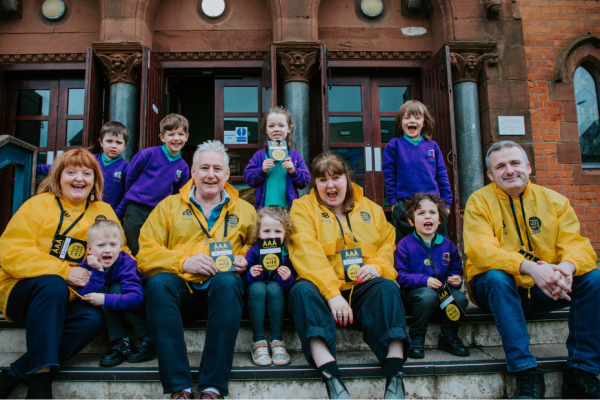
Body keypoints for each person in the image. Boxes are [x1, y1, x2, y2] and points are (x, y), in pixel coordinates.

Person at [464, 140, 600, 399]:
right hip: (496, 290)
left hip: (545, 289)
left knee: (593, 278)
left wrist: (565, 268)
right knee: (495, 275)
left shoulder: (555, 200)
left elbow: (578, 246)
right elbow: (480, 249)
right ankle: (526, 370)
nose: (509, 170)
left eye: (515, 163)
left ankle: (581, 372)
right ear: (491, 175)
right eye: (500, 166)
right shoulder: (479, 201)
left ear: (528, 166)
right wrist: (527, 267)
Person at [138, 140, 256, 399]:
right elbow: (145, 253)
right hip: (182, 292)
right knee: (158, 284)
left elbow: (255, 245)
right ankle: (179, 386)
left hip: (222, 294)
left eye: (217, 168)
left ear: (227, 174)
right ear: (192, 172)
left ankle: (212, 387)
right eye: (204, 168)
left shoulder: (246, 211)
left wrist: (245, 258)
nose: (210, 175)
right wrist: (182, 262)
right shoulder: (168, 206)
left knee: (228, 283)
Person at [288, 152, 409, 399]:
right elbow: (306, 253)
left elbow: (388, 242)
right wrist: (332, 294)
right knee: (301, 291)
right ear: (315, 184)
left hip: (361, 287)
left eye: (336, 177)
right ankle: (333, 379)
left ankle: (395, 378)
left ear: (347, 179)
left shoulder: (371, 209)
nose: (330, 185)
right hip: (324, 292)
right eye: (322, 180)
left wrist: (376, 266)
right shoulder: (302, 208)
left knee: (387, 287)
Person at [0, 149, 120, 398]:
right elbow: (10, 254)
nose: (79, 178)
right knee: (53, 284)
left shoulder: (104, 210)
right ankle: (41, 382)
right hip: (23, 293)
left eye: (87, 173)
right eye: (72, 172)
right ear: (58, 176)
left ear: (95, 180)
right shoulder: (38, 204)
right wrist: (64, 271)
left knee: (93, 320)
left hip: (72, 297)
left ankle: (15, 374)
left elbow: (120, 250)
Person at [395, 193, 468, 359]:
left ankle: (448, 337)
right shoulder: (405, 244)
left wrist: (455, 279)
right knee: (427, 296)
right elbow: (400, 275)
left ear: (440, 219)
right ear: (411, 221)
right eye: (421, 213)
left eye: (432, 212)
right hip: (415, 296)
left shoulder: (448, 245)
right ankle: (416, 338)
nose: (427, 216)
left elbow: (456, 269)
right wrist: (423, 280)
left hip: (442, 293)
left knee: (460, 299)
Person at [77, 219, 154, 367]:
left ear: (121, 247)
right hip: (113, 308)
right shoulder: (88, 264)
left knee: (114, 290)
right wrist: (97, 272)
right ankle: (121, 342)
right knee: (105, 291)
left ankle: (147, 337)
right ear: (90, 249)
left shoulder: (126, 263)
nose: (107, 250)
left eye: (112, 245)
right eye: (101, 245)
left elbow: (137, 298)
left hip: (139, 309)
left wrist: (105, 299)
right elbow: (83, 297)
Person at [382, 100, 452, 242]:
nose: (412, 121)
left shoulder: (432, 146)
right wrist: (394, 202)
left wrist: (446, 202)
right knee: (407, 243)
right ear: (401, 122)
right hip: (404, 203)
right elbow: (389, 176)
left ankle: (436, 265)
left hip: (433, 203)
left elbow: (441, 175)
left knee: (436, 242)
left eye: (417, 117)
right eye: (407, 117)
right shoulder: (394, 145)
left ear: (424, 123)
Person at [120, 113, 190, 256]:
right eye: (171, 134)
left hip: (159, 213)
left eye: (180, 134)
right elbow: (131, 177)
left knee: (153, 244)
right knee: (133, 243)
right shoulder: (147, 154)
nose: (176, 138)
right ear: (162, 137)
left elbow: (177, 194)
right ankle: (132, 273)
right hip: (136, 208)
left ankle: (148, 274)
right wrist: (134, 196)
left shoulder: (183, 167)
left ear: (186, 137)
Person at [35, 122, 131, 220]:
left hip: (110, 215)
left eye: (118, 142)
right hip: (84, 212)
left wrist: (117, 213)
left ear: (125, 145)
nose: (113, 146)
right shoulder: (89, 160)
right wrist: (35, 168)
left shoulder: (127, 168)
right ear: (101, 142)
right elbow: (59, 167)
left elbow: (127, 194)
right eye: (109, 141)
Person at [243, 206, 296, 366]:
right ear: (258, 233)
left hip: (277, 298)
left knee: (274, 287)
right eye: (266, 231)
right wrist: (251, 274)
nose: (271, 236)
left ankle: (277, 341)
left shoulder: (287, 253)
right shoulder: (253, 252)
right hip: (255, 297)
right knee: (258, 287)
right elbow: (245, 284)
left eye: (277, 232)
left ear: (285, 234)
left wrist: (287, 279)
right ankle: (258, 341)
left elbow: (290, 286)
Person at [243, 106, 310, 209]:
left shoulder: (294, 156)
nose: (276, 129)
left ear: (289, 128)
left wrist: (293, 171)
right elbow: (248, 178)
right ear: (266, 130)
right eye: (271, 126)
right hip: (264, 209)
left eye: (281, 125)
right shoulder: (259, 155)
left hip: (288, 209)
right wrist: (262, 170)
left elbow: (305, 181)